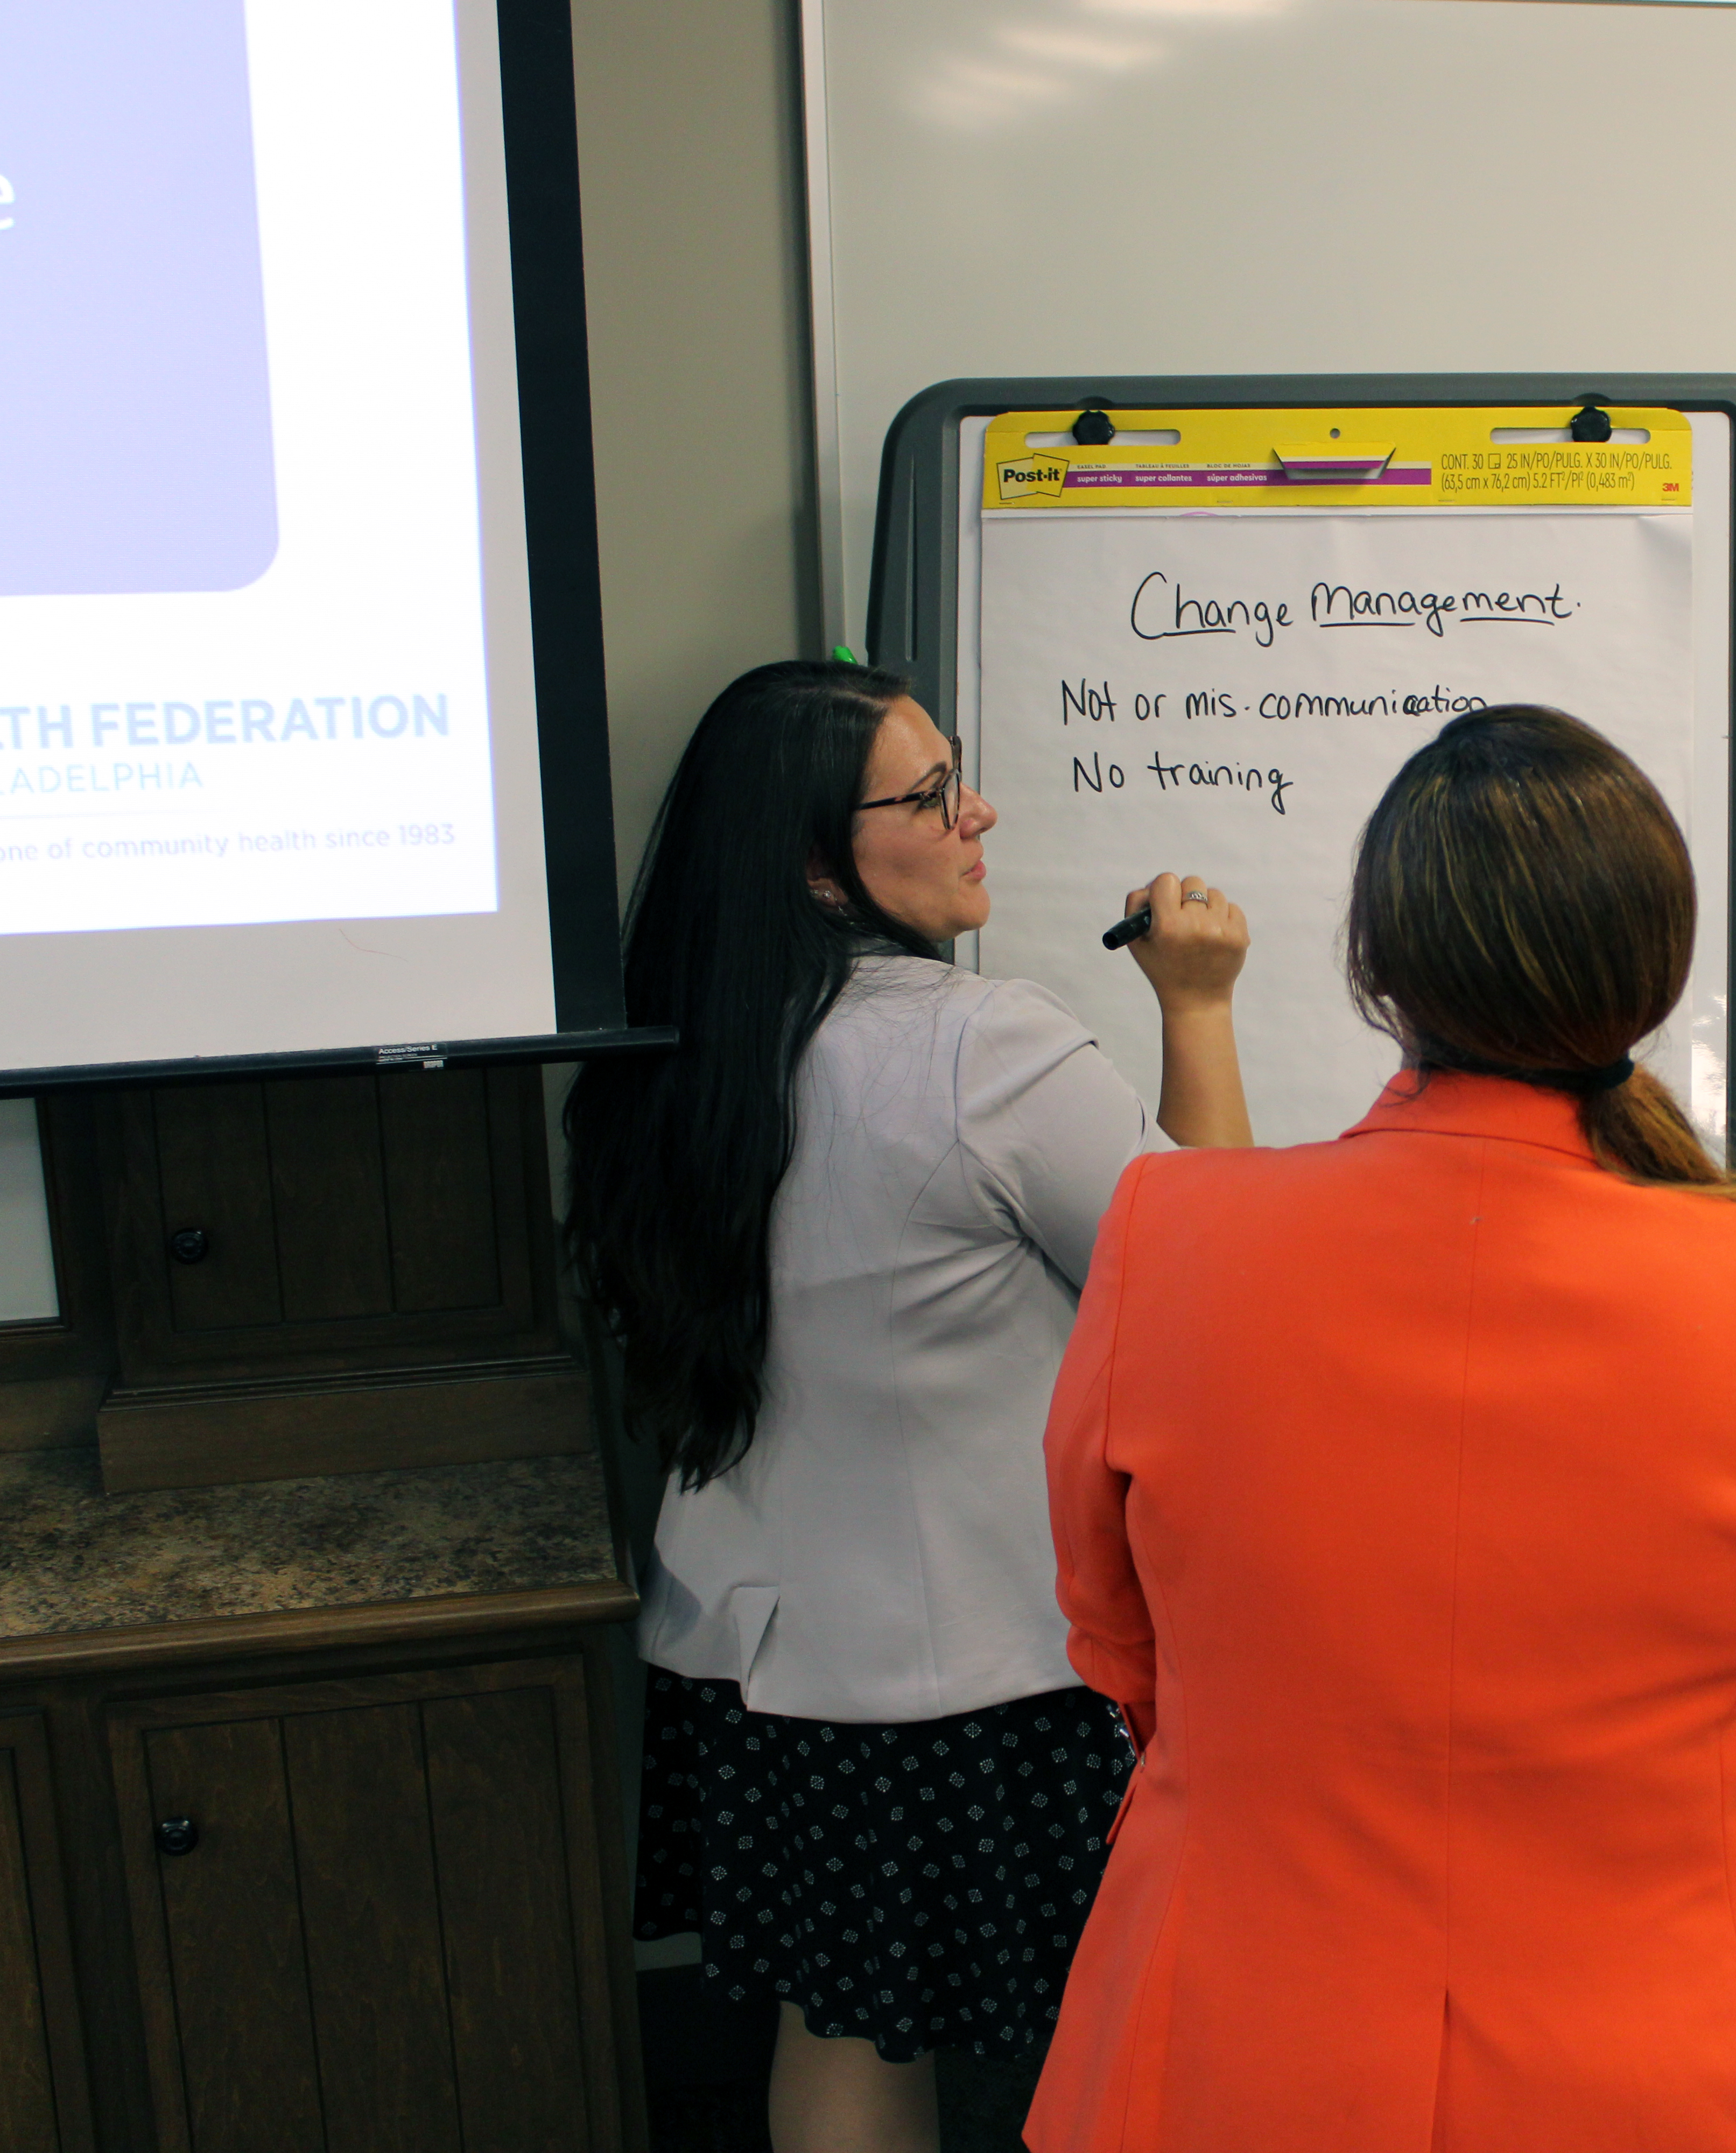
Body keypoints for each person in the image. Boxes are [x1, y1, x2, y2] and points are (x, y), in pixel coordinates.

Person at [1028, 706, 1736, 2152]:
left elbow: (1115, 1634)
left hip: (1249, 2033)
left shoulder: (1169, 1232)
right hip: (1703, 2048)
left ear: (1375, 968)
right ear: (1654, 970)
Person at [561, 659, 1253, 2153]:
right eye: (933, 795)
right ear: (821, 867)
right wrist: (1195, 1006)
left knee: (844, 2026)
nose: (976, 813)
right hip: (979, 1678)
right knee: (1135, 2012)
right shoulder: (979, 1048)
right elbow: (1210, 1294)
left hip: (749, 1659)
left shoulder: (666, 1063)